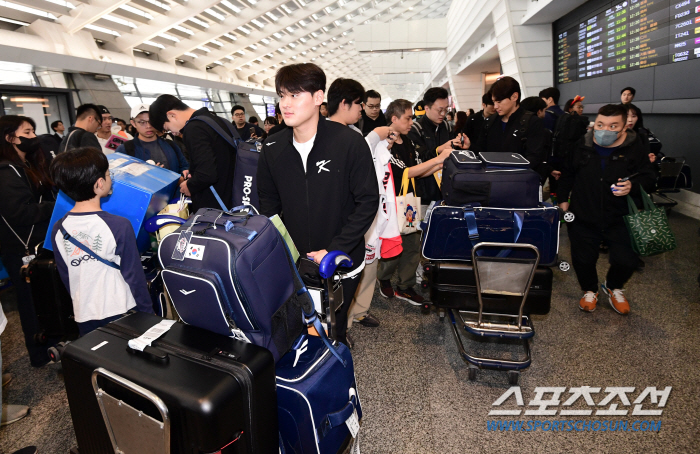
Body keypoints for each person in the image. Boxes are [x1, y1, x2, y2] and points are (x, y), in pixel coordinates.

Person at [257, 63, 379, 347]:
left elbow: (367, 201)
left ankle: (336, 364)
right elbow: (268, 207)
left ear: (318, 97)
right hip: (294, 261)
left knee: (333, 328)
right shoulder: (272, 148)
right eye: (282, 95)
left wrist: (337, 248)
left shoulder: (349, 142)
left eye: (295, 95)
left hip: (341, 259)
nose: (285, 104)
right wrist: (281, 252)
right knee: (297, 329)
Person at [557, 104, 656, 315]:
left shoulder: (635, 146)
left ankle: (613, 286)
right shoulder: (581, 144)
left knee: (626, 260)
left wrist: (633, 186)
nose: (604, 130)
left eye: (613, 126)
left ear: (623, 128)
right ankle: (590, 290)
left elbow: (649, 177)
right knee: (583, 259)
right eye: (600, 124)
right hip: (584, 212)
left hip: (620, 216)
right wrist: (563, 199)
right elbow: (568, 173)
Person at [49, 147, 153, 335]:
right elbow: (134, 275)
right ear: (99, 184)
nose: (110, 177)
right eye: (108, 174)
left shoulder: (59, 228)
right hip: (122, 309)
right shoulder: (119, 225)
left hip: (84, 313)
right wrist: (147, 313)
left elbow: (67, 276)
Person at [326, 77, 397, 335]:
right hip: (345, 218)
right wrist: (372, 138)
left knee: (367, 263)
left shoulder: (353, 133)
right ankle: (339, 328)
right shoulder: (334, 136)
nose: (363, 109)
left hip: (362, 216)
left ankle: (358, 312)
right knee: (342, 274)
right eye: (360, 103)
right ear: (345, 103)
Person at [378, 99, 452, 306]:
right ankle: (384, 278)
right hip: (391, 203)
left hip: (408, 202)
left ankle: (405, 285)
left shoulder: (408, 141)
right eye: (408, 118)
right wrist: (438, 160)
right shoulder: (385, 144)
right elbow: (405, 172)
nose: (412, 122)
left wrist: (439, 164)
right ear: (394, 119)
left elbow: (416, 172)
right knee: (392, 244)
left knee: (411, 244)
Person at [0, 115, 56, 367]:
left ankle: (50, 344)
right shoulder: (6, 171)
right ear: (10, 138)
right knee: (31, 301)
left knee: (43, 297)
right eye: (28, 132)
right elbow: (20, 213)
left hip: (35, 243)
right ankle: (39, 353)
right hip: (21, 248)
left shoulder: (26, 166)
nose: (33, 137)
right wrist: (53, 207)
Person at [150, 95, 237, 212]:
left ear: (171, 115)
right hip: (235, 197)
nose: (174, 133)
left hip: (217, 208)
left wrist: (189, 185)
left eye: (168, 128)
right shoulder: (218, 120)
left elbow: (207, 174)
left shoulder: (193, 128)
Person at [473, 76, 546, 171]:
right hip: (491, 178)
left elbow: (534, 158)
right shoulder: (490, 121)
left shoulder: (532, 122)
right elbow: (481, 150)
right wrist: (469, 146)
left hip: (518, 181)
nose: (495, 106)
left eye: (499, 101)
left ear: (514, 97)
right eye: (494, 102)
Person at [408, 87, 466, 205]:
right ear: (427, 108)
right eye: (439, 110)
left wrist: (462, 146)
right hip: (425, 193)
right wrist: (439, 150)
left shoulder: (446, 126)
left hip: (447, 189)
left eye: (446, 109)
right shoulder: (415, 130)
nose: (443, 114)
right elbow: (419, 161)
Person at [114, 103, 189, 174]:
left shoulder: (170, 144)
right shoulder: (125, 149)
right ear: (133, 123)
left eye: (151, 121)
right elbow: (119, 175)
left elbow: (184, 166)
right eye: (142, 122)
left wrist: (180, 179)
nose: (148, 126)